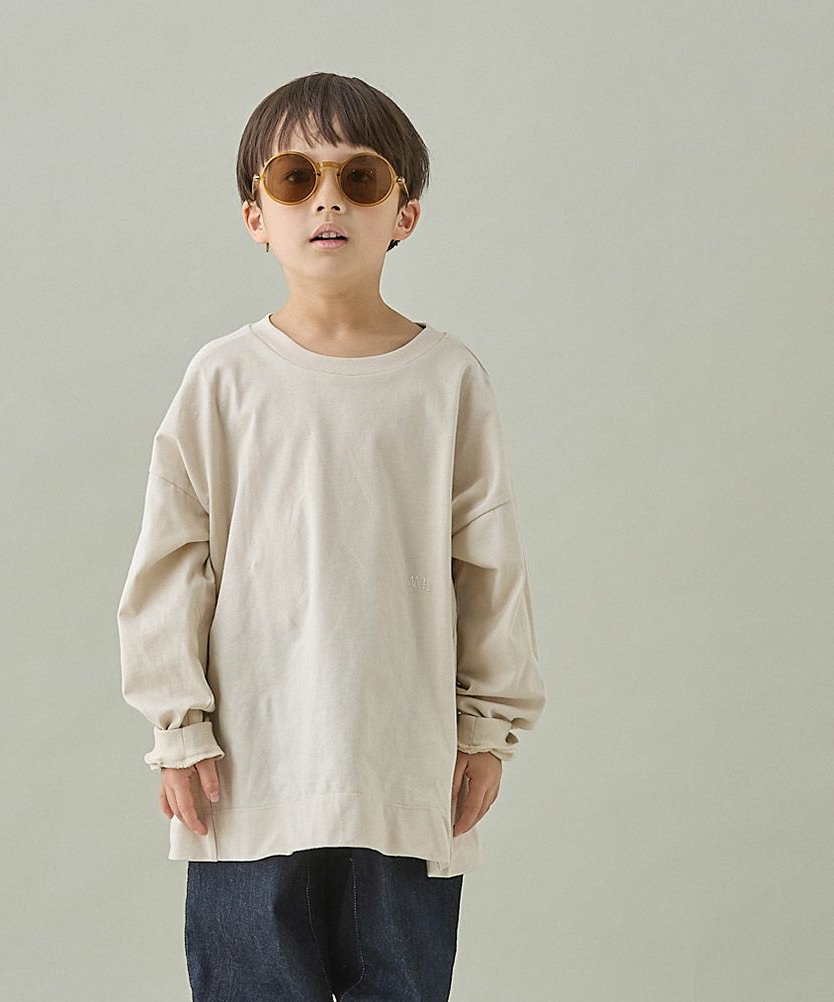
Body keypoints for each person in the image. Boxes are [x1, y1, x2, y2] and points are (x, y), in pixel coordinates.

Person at [117, 71, 548, 1001]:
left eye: (360, 178)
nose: (327, 200)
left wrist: (486, 731)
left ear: (404, 213)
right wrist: (179, 727)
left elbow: (489, 567)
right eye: (295, 177)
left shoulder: (447, 380)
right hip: (251, 774)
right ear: (255, 215)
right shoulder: (224, 379)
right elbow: (172, 561)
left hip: (404, 770)